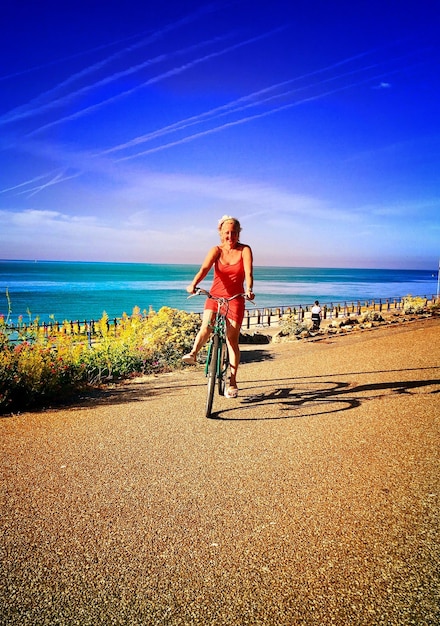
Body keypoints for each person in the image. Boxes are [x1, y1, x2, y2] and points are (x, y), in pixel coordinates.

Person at [182, 215, 254, 399]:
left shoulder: (245, 250)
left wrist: (249, 289)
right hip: (215, 296)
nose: (230, 236)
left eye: (234, 233)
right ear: (221, 233)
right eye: (227, 233)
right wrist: (193, 284)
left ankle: (233, 381)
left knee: (232, 340)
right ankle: (193, 353)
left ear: (239, 233)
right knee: (206, 326)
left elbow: (248, 272)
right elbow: (204, 269)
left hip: (235, 299)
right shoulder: (216, 250)